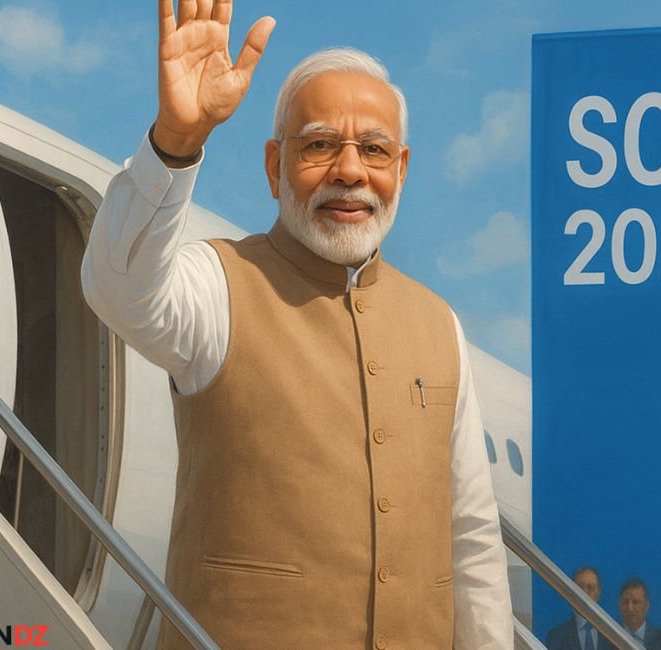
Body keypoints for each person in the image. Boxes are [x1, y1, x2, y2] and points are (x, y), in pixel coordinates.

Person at [80, 1, 512, 647]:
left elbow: (472, 537)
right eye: (318, 145)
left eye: (374, 149)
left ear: (402, 170)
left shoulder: (439, 324)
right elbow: (117, 287)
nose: (349, 170)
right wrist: (175, 141)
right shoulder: (219, 284)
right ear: (273, 167)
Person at [546, 567, 612, 650]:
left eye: (590, 587)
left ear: (598, 592)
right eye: (580, 587)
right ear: (572, 592)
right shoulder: (557, 636)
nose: (584, 592)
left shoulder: (612, 635)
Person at [620, 577, 660, 646]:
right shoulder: (608, 638)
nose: (630, 608)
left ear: (647, 606)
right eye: (625, 602)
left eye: (635, 602)